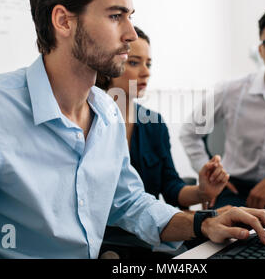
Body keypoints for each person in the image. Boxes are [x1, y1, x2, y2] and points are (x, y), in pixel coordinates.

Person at [0, 0, 265, 259]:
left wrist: (205, 222)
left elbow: (129, 203)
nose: (130, 33)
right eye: (116, 16)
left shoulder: (106, 114)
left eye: (129, 16)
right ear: (64, 21)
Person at [96, 26, 231, 211]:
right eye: (134, 62)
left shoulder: (154, 124)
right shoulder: (88, 119)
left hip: (147, 231)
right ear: (107, 66)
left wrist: (203, 191)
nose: (146, 72)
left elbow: (170, 188)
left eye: (148, 64)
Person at [180, 8, 265, 210]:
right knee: (225, 236)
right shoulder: (231, 90)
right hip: (234, 189)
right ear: (261, 51)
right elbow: (189, 132)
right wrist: (208, 174)